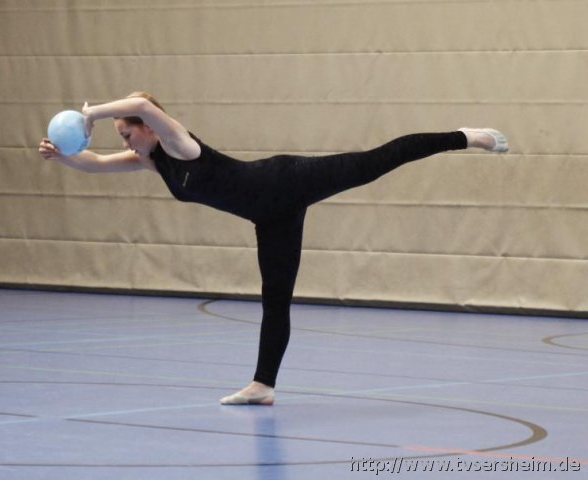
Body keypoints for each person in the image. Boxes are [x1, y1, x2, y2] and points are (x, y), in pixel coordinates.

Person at [38, 92, 508, 405]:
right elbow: (95, 163)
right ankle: (263, 385)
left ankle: (468, 136)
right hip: (271, 217)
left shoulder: (178, 145)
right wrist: (63, 156)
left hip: (286, 179)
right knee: (275, 298)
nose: (125, 143)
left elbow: (141, 100)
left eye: (127, 134)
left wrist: (92, 114)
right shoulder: (152, 163)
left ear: (149, 128)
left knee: (375, 162)